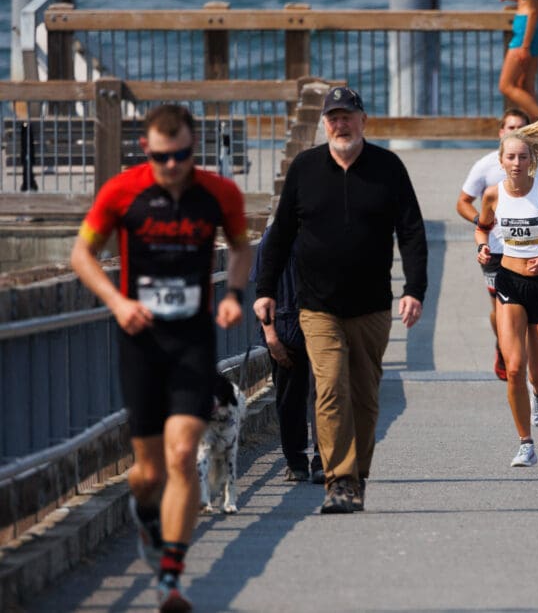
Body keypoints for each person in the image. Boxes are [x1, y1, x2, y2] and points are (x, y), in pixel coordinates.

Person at [70, 104, 251, 610]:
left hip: (193, 342)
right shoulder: (121, 192)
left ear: (195, 150)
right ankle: (146, 513)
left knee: (181, 455)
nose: (174, 166)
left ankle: (171, 578)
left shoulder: (219, 194)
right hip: (141, 342)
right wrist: (117, 301)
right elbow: (81, 254)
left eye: (184, 155)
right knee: (148, 473)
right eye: (164, 156)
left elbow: (240, 246)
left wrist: (234, 293)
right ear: (147, 149)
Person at [255, 86, 428, 515]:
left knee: (365, 395)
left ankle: (358, 475)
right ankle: (339, 480)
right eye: (333, 117)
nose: (340, 124)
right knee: (330, 389)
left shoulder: (387, 167)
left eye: (347, 115)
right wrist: (264, 291)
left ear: (363, 120)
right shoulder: (306, 168)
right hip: (318, 306)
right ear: (325, 124)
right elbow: (279, 237)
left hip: (371, 305)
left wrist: (414, 290)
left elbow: (411, 231)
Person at [475, 118, 538, 467]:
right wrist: (483, 248)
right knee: (515, 367)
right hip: (509, 282)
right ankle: (525, 444)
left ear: (531, 161)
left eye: (523, 157)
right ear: (501, 161)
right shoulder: (493, 194)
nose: (517, 163)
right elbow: (482, 227)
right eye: (511, 157)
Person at [456, 108, 538, 380]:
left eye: (521, 128)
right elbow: (462, 201)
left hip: (532, 249)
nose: (515, 133)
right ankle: (504, 346)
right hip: (497, 250)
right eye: (511, 128)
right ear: (501, 132)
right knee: (500, 307)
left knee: (529, 309)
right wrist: (481, 221)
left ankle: (518, 356)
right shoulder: (486, 165)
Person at [250, 224, 323, 484]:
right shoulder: (275, 235)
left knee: (324, 397)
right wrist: (270, 336)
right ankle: (296, 461)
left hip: (323, 328)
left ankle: (322, 461)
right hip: (285, 331)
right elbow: (262, 290)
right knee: (289, 400)